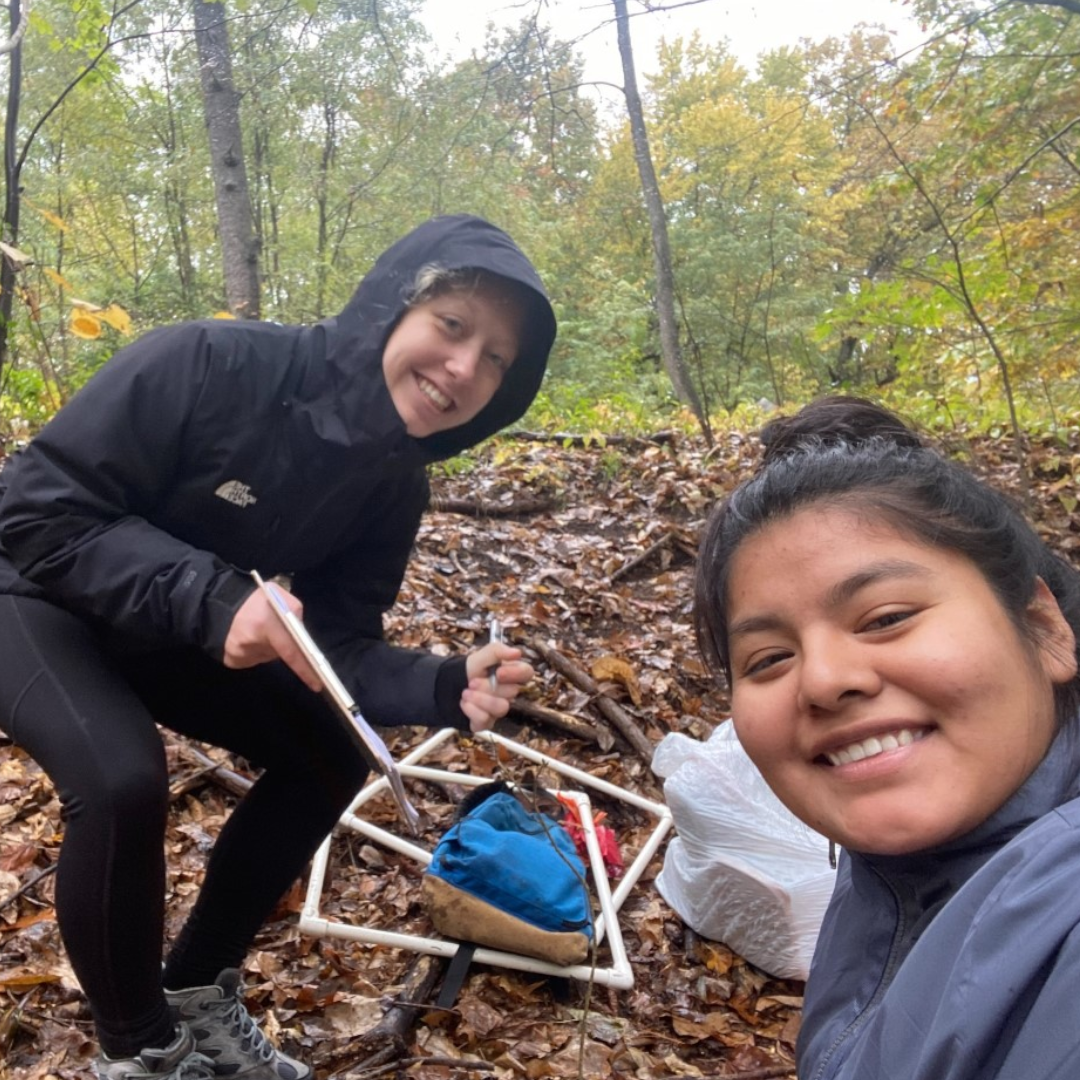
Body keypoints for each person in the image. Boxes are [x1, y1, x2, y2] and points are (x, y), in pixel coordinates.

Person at [0, 214, 556, 1080]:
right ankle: (139, 1048)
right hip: (32, 593)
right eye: (453, 326)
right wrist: (216, 598)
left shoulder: (392, 483)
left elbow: (335, 646)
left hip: (169, 630)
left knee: (330, 754)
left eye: (495, 359)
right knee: (119, 777)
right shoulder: (208, 363)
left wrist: (445, 686)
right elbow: (39, 510)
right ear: (391, 307)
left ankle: (195, 991)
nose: (464, 368)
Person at [692, 395, 1080, 1080]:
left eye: (886, 617)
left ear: (1045, 630)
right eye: (769, 659)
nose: (824, 680)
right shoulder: (888, 870)